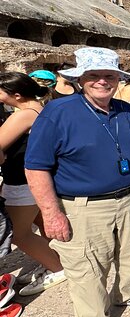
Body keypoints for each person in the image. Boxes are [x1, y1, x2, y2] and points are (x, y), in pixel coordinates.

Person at [24, 47, 130, 316]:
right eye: (94, 75)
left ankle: (128, 293)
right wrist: (52, 214)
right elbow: (36, 167)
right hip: (83, 208)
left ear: (118, 78)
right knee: (87, 270)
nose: (102, 81)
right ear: (80, 78)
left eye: (109, 75)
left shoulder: (125, 109)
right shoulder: (58, 112)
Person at [0, 73, 66, 297]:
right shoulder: (40, 108)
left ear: (16, 95)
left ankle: (57, 269)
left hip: (21, 180)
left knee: (19, 234)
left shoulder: (24, 114)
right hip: (30, 178)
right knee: (43, 227)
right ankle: (52, 260)